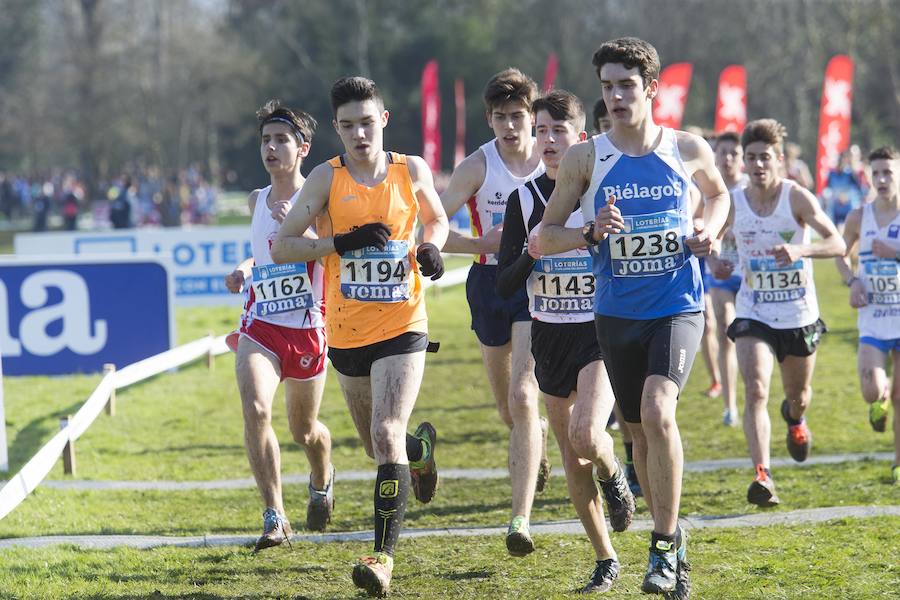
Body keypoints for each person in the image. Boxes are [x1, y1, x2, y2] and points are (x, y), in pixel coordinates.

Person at [535, 37, 730, 597]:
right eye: (607, 87)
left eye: (626, 85)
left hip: (677, 304)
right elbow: (545, 238)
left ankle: (664, 546)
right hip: (615, 313)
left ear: (651, 89)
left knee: (657, 408)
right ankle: (673, 546)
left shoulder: (686, 148)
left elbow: (718, 197)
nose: (616, 96)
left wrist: (709, 229)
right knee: (640, 437)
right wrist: (588, 232)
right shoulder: (585, 157)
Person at [271, 76, 448, 598]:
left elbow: (436, 219)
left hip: (403, 324)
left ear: (384, 119)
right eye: (347, 125)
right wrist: (338, 242)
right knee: (379, 445)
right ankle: (420, 451)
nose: (358, 134)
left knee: (386, 430)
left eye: (366, 122)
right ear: (337, 129)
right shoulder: (326, 179)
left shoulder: (409, 169)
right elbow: (283, 246)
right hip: (346, 331)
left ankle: (383, 557)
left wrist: (431, 247)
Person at [495, 89, 633, 590]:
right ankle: (605, 556)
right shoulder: (523, 199)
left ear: (581, 139)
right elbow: (505, 284)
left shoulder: (604, 193)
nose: (548, 141)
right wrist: (533, 252)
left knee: (585, 435)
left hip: (599, 334)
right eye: (542, 130)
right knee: (572, 456)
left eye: (559, 131)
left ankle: (614, 470)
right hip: (547, 336)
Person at [439, 68, 551, 553]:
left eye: (518, 117)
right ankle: (535, 444)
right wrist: (479, 242)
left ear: (533, 118)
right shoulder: (477, 167)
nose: (510, 126)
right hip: (488, 284)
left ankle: (519, 521)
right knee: (508, 407)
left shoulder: (553, 159)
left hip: (537, 284)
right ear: (489, 119)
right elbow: (434, 229)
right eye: (501, 117)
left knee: (526, 397)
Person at [223, 100, 335, 552]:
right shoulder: (255, 200)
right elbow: (262, 253)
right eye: (265, 140)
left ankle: (322, 477)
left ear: (302, 147)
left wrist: (301, 231)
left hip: (306, 327)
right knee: (256, 410)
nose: (271, 148)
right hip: (261, 323)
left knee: (304, 431)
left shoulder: (320, 199)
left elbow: (332, 252)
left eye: (281, 140)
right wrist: (245, 270)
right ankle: (275, 516)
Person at [720, 119, 844, 507]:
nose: (757, 165)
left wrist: (801, 251)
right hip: (753, 311)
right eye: (751, 158)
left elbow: (838, 243)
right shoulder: (735, 202)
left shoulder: (797, 198)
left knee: (798, 395)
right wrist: (718, 262)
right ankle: (763, 474)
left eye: (765, 158)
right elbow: (721, 244)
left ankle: (794, 418)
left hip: (797, 313)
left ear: (780, 160)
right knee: (755, 388)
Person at [834, 146, 900, 484]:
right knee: (871, 390)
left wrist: (896, 252)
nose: (883, 179)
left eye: (889, 172)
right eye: (877, 173)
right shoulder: (861, 217)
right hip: (873, 317)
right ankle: (881, 398)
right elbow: (839, 254)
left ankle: (898, 464)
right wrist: (853, 280)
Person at [593, 97, 643, 496]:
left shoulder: (642, 166)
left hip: (635, 298)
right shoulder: (583, 167)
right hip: (585, 307)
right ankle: (621, 460)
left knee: (644, 406)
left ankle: (631, 457)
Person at [705, 131, 745, 426]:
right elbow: (696, 227)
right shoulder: (707, 190)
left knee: (754, 337)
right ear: (714, 156)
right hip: (721, 272)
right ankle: (730, 404)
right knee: (725, 327)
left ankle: (756, 388)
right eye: (723, 153)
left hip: (751, 274)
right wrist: (711, 256)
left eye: (734, 153)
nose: (728, 158)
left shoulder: (750, 189)